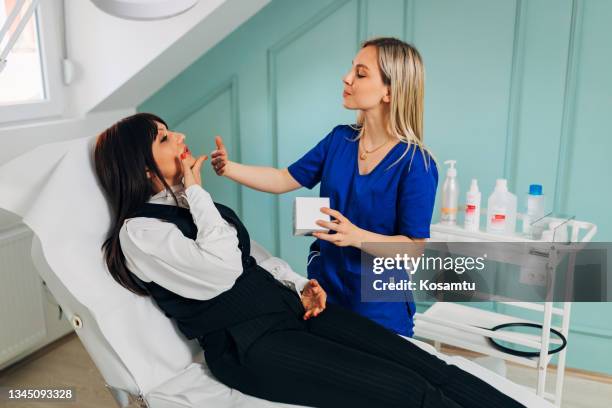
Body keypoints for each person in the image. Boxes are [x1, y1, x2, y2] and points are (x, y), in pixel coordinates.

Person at [94, 113, 523, 408]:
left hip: (292, 310)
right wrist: (197, 192)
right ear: (143, 169)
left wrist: (297, 285)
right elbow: (224, 271)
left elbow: (251, 261)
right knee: (410, 391)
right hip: (250, 347)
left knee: (429, 366)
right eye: (165, 138)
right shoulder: (140, 233)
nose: (181, 138)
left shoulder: (193, 208)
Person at [210, 37, 437, 337]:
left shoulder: (415, 163)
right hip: (326, 294)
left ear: (390, 91)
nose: (347, 78)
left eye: (361, 73)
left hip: (380, 307)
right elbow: (282, 179)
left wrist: (356, 236)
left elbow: (413, 250)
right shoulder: (339, 140)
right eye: (351, 69)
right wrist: (229, 168)